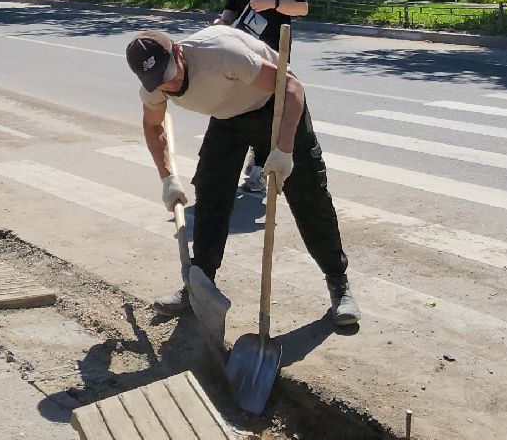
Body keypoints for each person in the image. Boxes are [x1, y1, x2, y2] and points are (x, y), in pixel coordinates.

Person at [126, 25, 359, 328]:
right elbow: (154, 126)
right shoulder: (153, 87)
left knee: (308, 195)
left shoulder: (222, 55)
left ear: (178, 51)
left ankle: (338, 283)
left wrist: (285, 149)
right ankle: (200, 286)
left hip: (274, 104)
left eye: (172, 73)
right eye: (161, 82)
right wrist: (167, 178)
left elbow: (291, 88)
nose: (169, 84)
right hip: (228, 117)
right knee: (211, 193)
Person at [216, 0, 308, 194]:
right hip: (244, 51)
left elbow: (303, 8)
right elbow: (231, 9)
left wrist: (272, 3)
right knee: (248, 105)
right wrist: (221, 24)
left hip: (274, 51)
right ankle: (257, 157)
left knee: (270, 107)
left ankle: (259, 168)